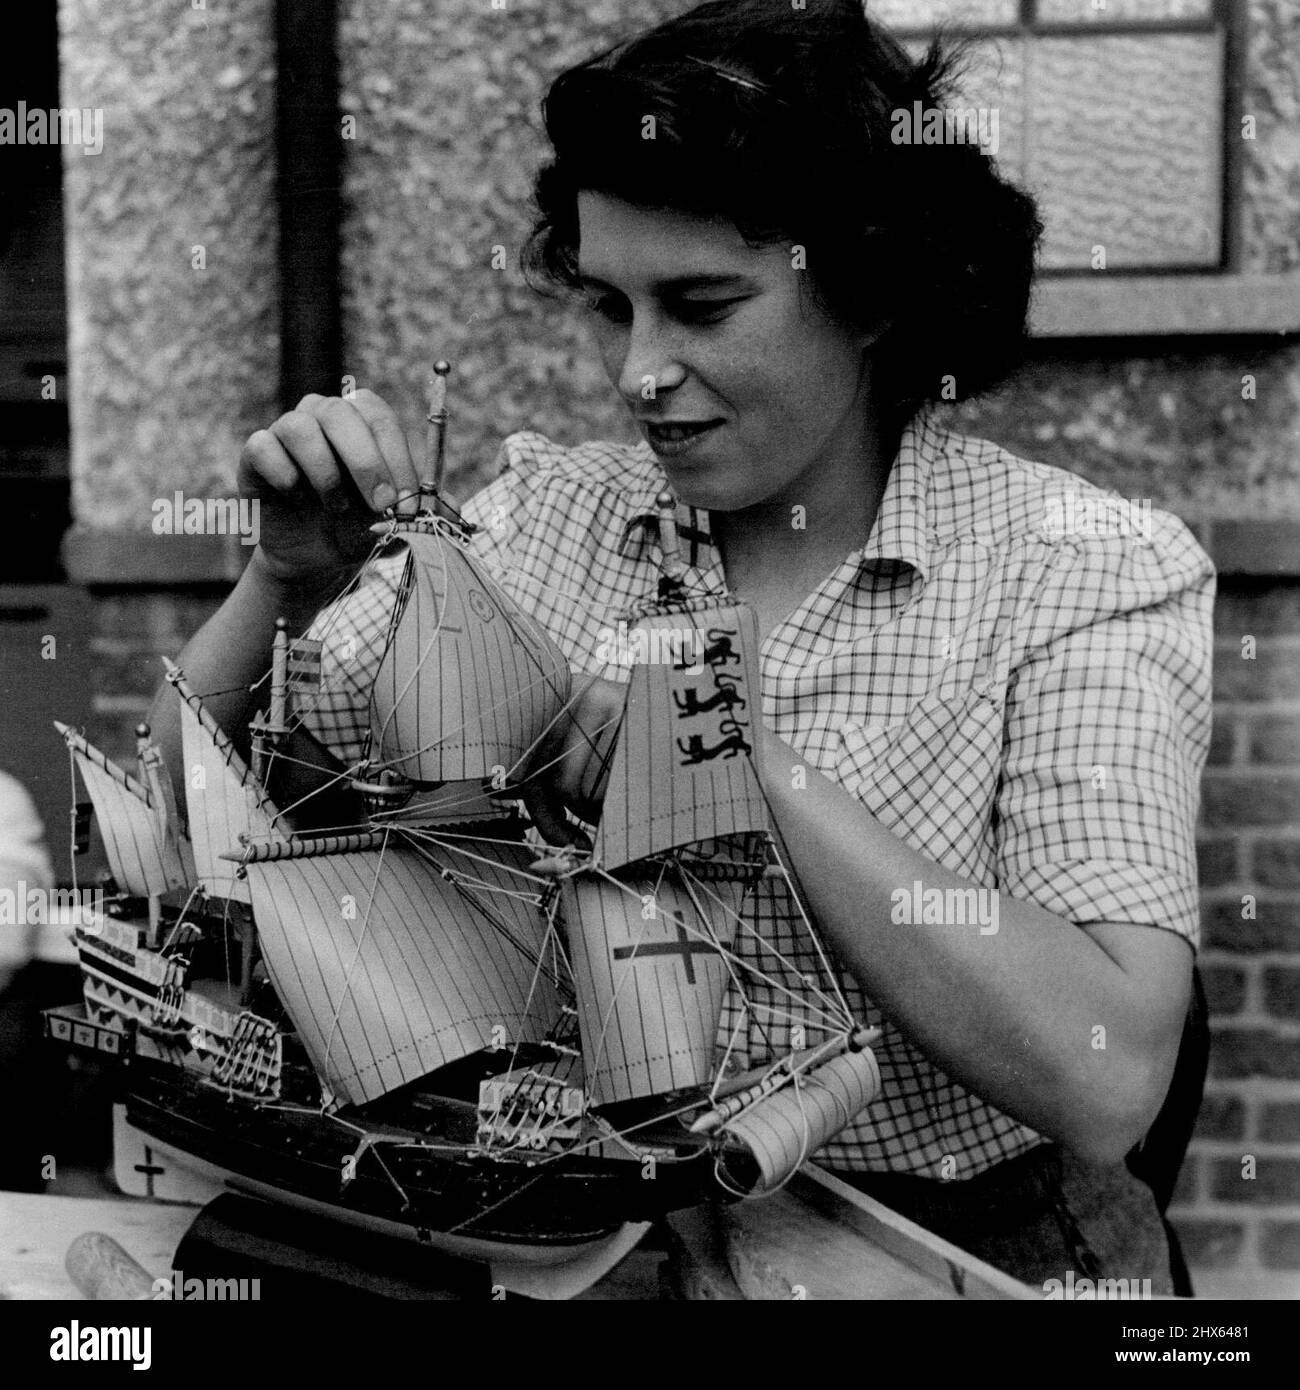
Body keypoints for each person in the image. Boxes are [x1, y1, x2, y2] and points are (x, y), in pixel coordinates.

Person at [148, 0, 1214, 1291]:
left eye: (701, 305)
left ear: (873, 291)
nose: (639, 373)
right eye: (611, 305)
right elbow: (179, 828)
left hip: (962, 1248)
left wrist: (728, 753)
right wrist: (282, 582)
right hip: (605, 1242)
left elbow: (1109, 1073)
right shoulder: (547, 518)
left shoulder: (1078, 565)